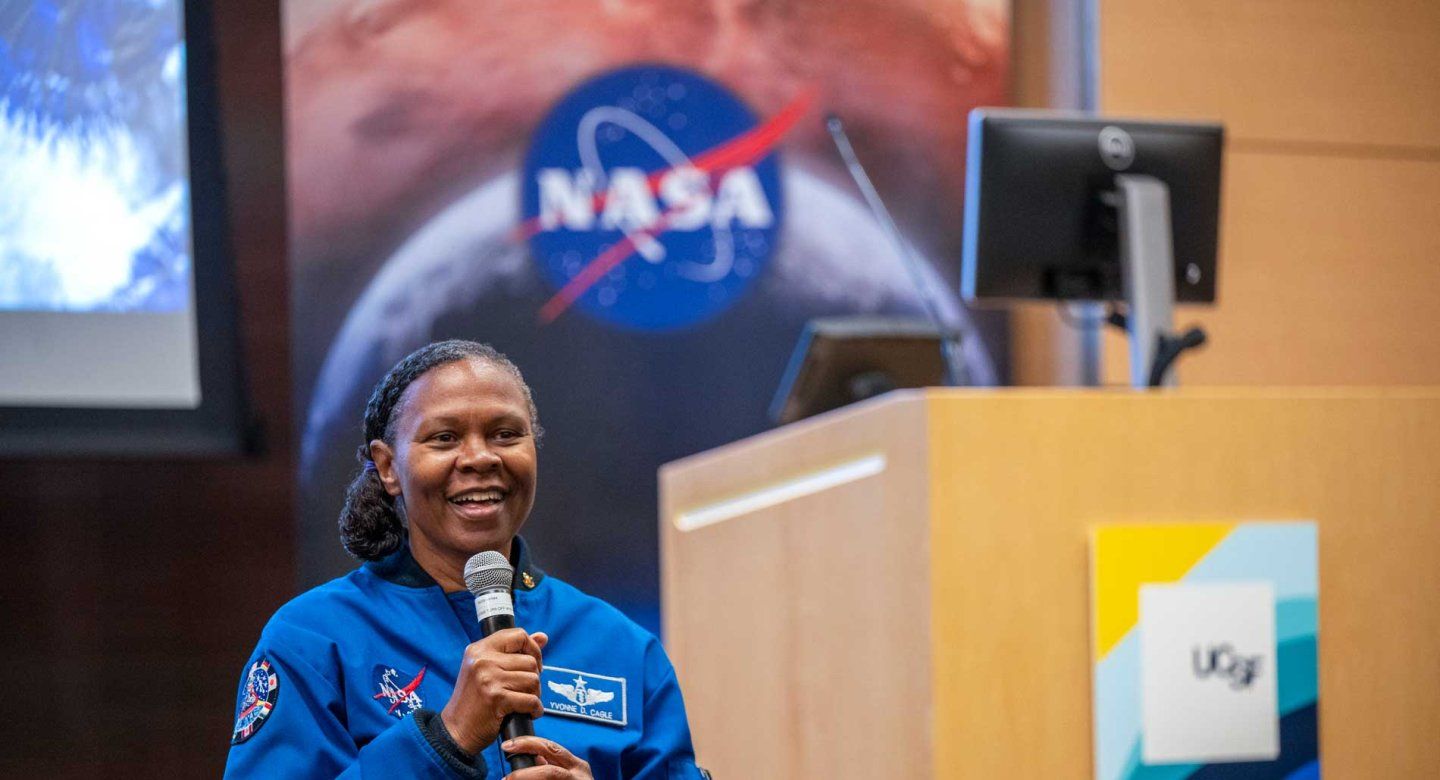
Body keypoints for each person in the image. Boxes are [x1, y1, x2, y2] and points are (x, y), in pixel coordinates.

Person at [225, 340, 705, 779]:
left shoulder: (622, 647)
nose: (479, 458)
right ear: (389, 467)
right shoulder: (312, 640)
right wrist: (446, 738)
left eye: (504, 434)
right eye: (444, 438)